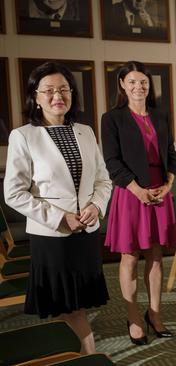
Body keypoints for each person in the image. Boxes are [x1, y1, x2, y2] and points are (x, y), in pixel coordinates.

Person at [4, 61, 112, 354]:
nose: (57, 96)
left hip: (87, 231)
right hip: (53, 235)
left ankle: (71, 353)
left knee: (77, 300)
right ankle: (87, 352)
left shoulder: (86, 132)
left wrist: (96, 206)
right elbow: (13, 193)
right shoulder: (23, 136)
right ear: (36, 97)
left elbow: (104, 180)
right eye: (49, 91)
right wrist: (59, 217)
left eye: (64, 89)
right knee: (65, 302)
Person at [101, 61, 176, 345]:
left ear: (149, 85)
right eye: (132, 81)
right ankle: (133, 316)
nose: (138, 87)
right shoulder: (112, 119)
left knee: (156, 257)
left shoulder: (161, 116)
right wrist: (137, 190)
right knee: (130, 257)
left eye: (143, 82)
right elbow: (112, 162)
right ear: (122, 84)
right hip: (131, 194)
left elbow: (171, 154)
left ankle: (155, 314)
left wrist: (168, 184)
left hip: (160, 192)